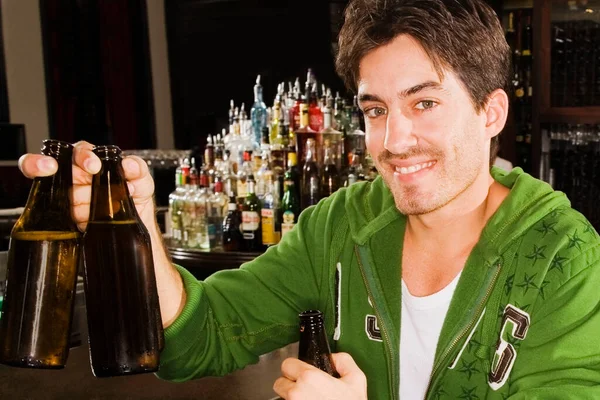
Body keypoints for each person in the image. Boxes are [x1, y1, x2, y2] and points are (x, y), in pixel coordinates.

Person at [18, 0, 600, 398]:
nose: (394, 141)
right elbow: (204, 336)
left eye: (424, 103)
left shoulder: (564, 256)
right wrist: (139, 233)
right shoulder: (341, 225)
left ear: (490, 111)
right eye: (376, 110)